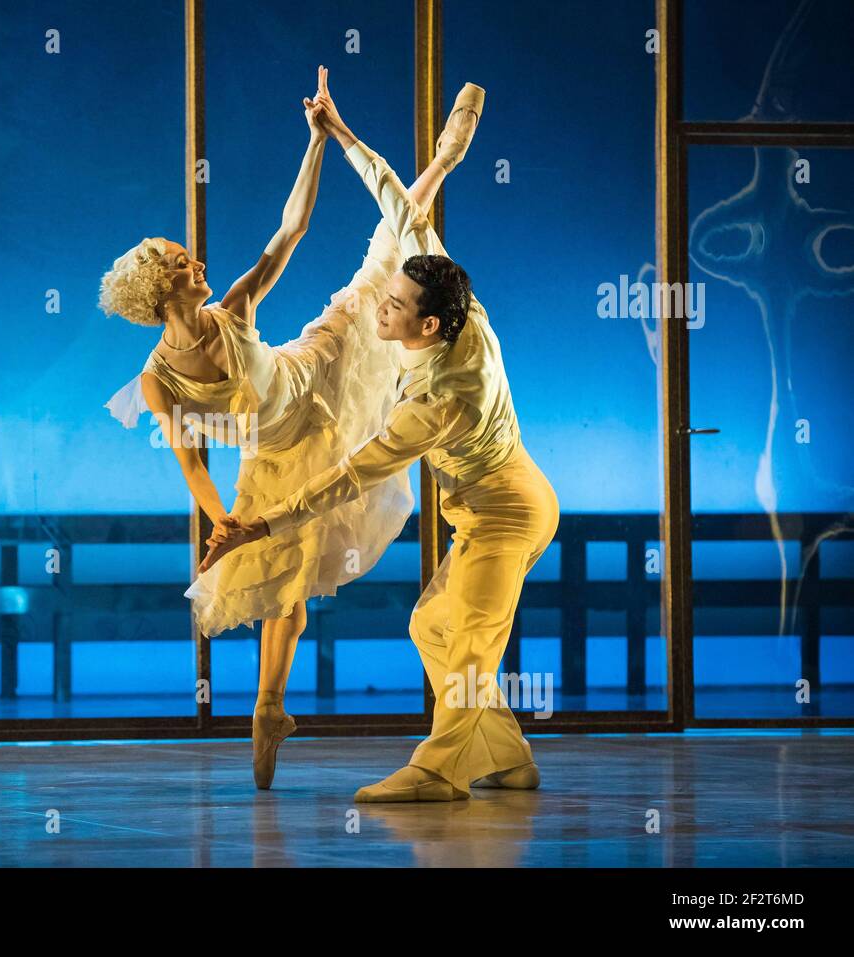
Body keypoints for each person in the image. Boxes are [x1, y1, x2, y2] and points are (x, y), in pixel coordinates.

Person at [100, 68, 481, 789]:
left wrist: (315, 141)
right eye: (186, 263)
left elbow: (291, 228)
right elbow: (192, 466)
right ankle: (269, 709)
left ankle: (443, 160)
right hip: (282, 450)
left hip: (322, 368)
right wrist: (224, 528)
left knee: (384, 262)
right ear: (163, 290)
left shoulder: (234, 306)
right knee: (285, 590)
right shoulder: (157, 378)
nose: (200, 263)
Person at [202, 77, 560, 802]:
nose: (381, 307)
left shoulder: (440, 399)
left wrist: (262, 522)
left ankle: (435, 771)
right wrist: (339, 130)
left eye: (392, 306)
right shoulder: (451, 298)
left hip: (508, 512)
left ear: (427, 326)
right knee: (430, 624)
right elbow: (398, 199)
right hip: (485, 509)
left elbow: (350, 475)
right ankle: (508, 755)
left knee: (469, 646)